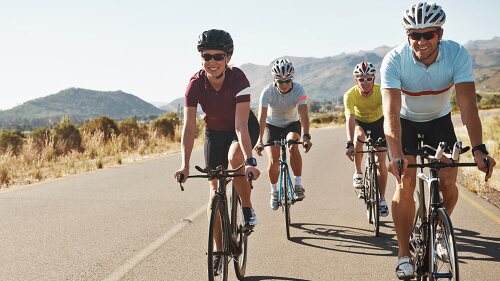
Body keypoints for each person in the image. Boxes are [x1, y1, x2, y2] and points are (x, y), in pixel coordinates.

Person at [380, 2, 496, 279]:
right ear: (407, 36)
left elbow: (468, 108)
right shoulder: (394, 60)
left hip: (440, 121)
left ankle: (441, 230)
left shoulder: (457, 54)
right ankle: (403, 254)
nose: (420, 41)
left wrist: (479, 149)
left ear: (440, 34)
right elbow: (391, 113)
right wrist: (396, 154)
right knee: (405, 180)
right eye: (414, 35)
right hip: (405, 122)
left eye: (427, 34)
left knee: (447, 181)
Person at [173, 29, 261, 230]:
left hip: (243, 127)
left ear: (228, 57)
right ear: (201, 57)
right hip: (214, 131)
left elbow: (240, 126)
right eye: (206, 56)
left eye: (218, 56)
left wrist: (250, 161)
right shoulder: (195, 85)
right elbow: (189, 128)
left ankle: (247, 208)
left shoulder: (238, 79)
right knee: (214, 192)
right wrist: (184, 165)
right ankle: (218, 254)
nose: (212, 61)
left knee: (234, 157)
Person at [255, 58, 312, 210]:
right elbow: (261, 118)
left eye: (288, 81)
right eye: (280, 81)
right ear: (275, 80)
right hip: (271, 125)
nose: (285, 84)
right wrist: (259, 140)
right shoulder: (267, 92)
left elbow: (304, 115)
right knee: (273, 160)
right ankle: (274, 192)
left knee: (293, 145)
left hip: (291, 124)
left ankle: (298, 185)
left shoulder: (299, 90)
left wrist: (306, 135)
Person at [343, 61, 389, 217]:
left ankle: (382, 199)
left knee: (381, 160)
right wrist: (349, 143)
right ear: (356, 80)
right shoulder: (350, 94)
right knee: (359, 138)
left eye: (368, 78)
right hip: (360, 122)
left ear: (374, 78)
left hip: (379, 122)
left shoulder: (381, 91)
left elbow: (390, 114)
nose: (365, 82)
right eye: (361, 79)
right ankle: (358, 173)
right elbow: (349, 118)